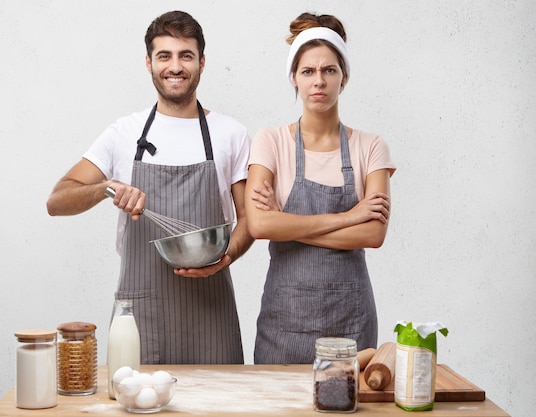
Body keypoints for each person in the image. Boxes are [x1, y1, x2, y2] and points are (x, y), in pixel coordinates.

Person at [46, 10, 253, 364]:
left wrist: (227, 256)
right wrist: (105, 188)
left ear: (202, 62)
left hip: (211, 308)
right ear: (148, 62)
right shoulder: (123, 133)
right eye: (164, 56)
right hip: (142, 314)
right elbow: (57, 200)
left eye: (185, 55)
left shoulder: (230, 134)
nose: (175, 66)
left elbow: (250, 219)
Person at [246, 12, 396, 364]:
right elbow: (259, 226)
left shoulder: (371, 147)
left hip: (351, 325)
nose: (319, 81)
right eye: (308, 71)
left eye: (329, 70)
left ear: (344, 78)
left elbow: (373, 233)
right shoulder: (270, 142)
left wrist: (286, 222)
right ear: (294, 79)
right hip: (283, 326)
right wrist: (349, 217)